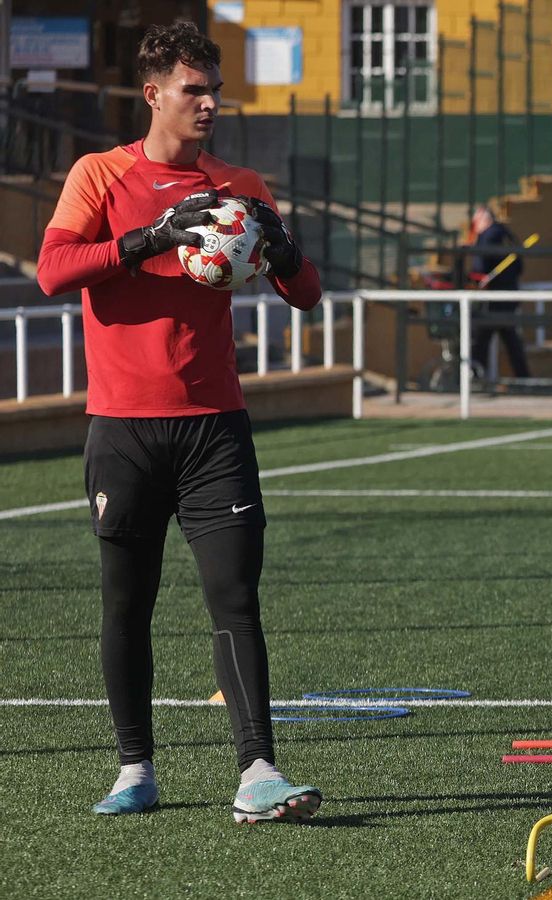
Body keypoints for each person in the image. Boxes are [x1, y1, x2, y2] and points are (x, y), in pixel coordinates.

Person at [35, 21, 325, 823]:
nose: (209, 103)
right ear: (153, 92)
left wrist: (283, 246)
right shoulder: (98, 173)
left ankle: (258, 769)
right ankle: (136, 769)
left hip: (214, 431)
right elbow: (54, 270)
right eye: (193, 89)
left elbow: (306, 294)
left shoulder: (242, 187)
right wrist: (148, 240)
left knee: (235, 597)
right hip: (123, 432)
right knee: (126, 603)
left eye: (214, 89)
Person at [466, 204, 531, 381]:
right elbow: (519, 267)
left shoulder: (487, 237)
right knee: (511, 341)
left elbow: (479, 267)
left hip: (492, 300)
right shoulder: (507, 235)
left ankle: (477, 379)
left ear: (483, 219)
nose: (474, 224)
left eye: (475, 220)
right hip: (509, 298)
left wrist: (476, 279)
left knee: (480, 341)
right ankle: (524, 379)